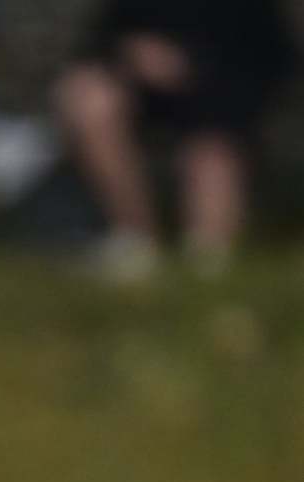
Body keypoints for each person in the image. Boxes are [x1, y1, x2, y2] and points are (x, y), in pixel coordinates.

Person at [56, 0, 300, 280]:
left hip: (224, 93)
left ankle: (208, 258)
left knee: (211, 153)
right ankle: (136, 242)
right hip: (144, 94)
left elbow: (268, 57)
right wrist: (133, 54)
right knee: (87, 96)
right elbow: (102, 38)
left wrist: (194, 66)